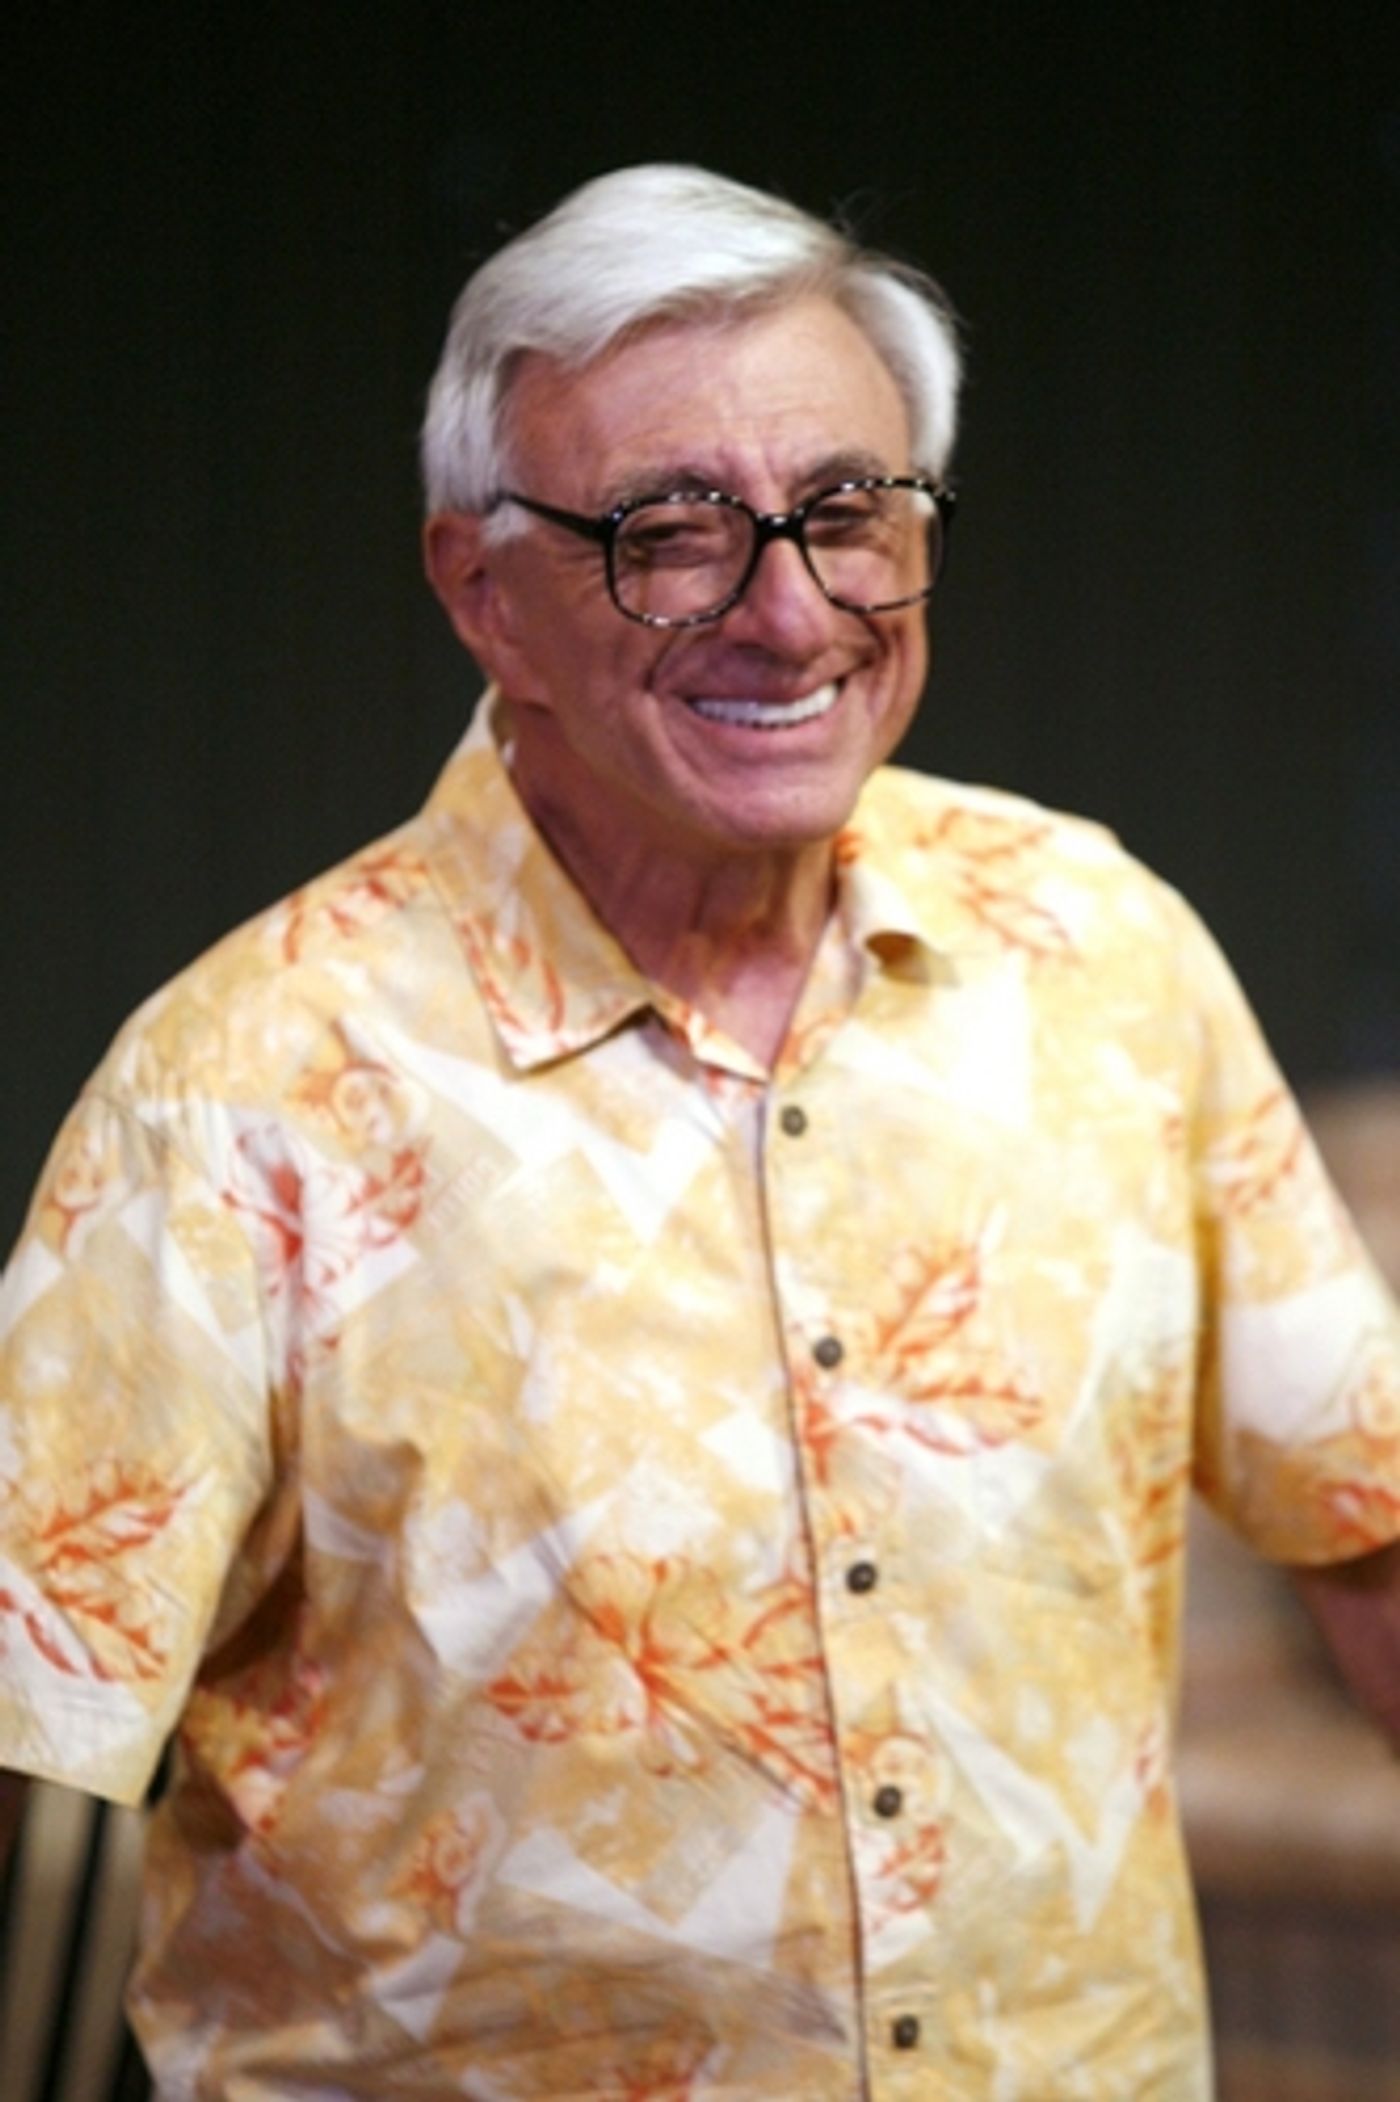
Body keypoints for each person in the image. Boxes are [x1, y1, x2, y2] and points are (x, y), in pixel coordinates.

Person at [1, 162, 1397, 2101]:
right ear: (480, 591)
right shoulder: (241, 1088)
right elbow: (29, 1719)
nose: (789, 610)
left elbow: (1364, 1520)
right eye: (670, 534)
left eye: (849, 512)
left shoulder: (1103, 953)